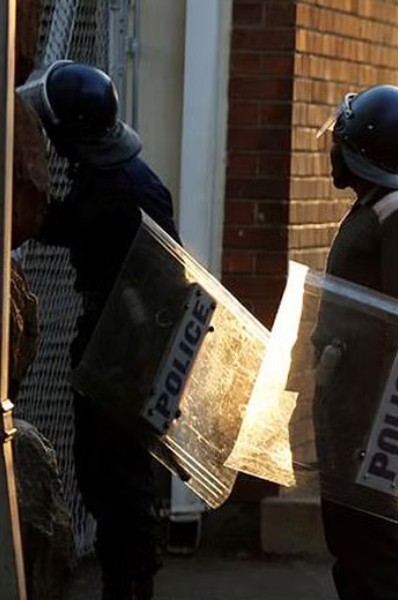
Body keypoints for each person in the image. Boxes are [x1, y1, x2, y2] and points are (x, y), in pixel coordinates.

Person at [17, 60, 179, 600]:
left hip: (126, 351)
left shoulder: (121, 189)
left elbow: (64, 225)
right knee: (104, 475)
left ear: (71, 132)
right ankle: (126, 578)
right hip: (119, 342)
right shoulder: (114, 176)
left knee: (117, 479)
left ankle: (130, 583)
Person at [309, 84, 398, 600]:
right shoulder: (374, 204)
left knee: (374, 548)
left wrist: (385, 433)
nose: (331, 149)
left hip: (369, 410)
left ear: (361, 147)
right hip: (345, 404)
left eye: (339, 139)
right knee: (348, 544)